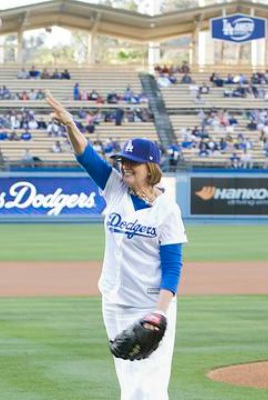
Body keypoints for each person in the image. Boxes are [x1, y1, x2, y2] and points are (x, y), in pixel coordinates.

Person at [47, 91, 187, 400]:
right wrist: (70, 124)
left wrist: (160, 314)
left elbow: (173, 267)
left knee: (148, 386)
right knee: (129, 383)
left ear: (150, 168)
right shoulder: (114, 189)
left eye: (132, 163)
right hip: (114, 302)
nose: (124, 166)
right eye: (123, 161)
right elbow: (87, 156)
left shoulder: (168, 210)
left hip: (149, 307)